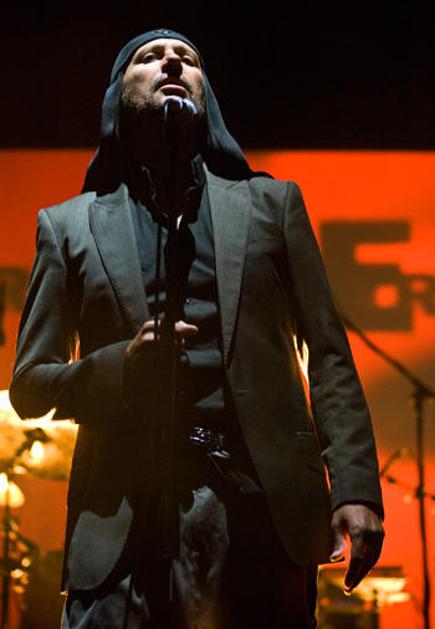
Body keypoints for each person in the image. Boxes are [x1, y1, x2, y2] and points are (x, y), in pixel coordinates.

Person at [10, 28, 384, 629]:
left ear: (206, 96)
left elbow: (329, 352)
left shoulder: (273, 205)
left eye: (188, 59)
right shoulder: (68, 226)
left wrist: (356, 487)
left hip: (260, 515)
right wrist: (116, 368)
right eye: (149, 57)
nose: (171, 63)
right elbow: (30, 384)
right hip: (123, 526)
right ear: (117, 95)